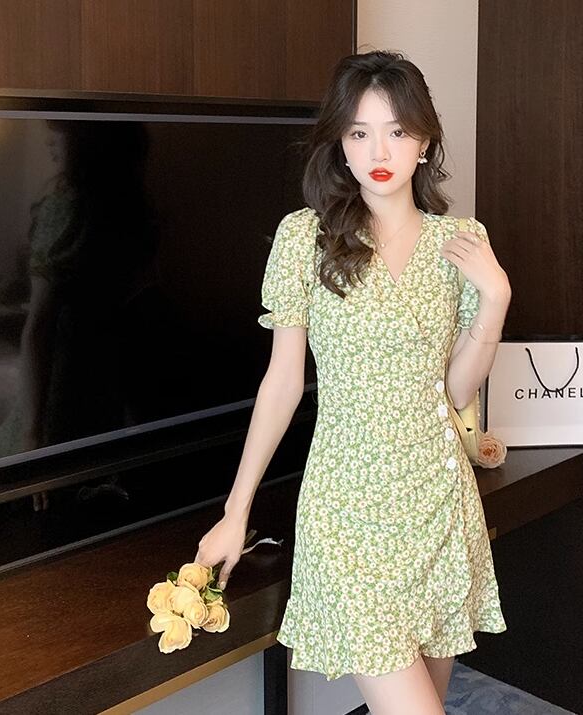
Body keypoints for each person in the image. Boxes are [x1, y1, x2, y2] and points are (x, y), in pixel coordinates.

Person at [195, 50, 512, 715]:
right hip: (347, 514)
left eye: (397, 131)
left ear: (424, 141)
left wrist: (496, 299)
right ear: (339, 142)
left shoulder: (460, 241)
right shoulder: (304, 238)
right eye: (360, 131)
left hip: (437, 506)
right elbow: (282, 384)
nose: (379, 151)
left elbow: (456, 392)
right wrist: (236, 510)